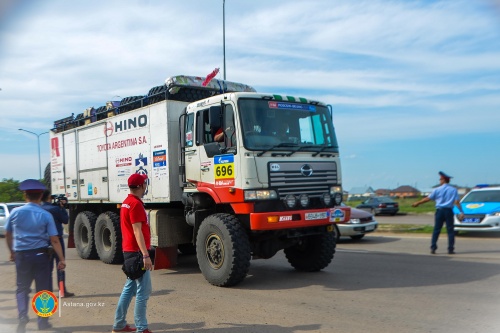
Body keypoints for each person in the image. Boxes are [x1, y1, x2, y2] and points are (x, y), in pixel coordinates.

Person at [5, 179, 66, 333]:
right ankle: (42, 322)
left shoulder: (15, 212)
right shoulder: (45, 215)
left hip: (21, 256)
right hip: (41, 256)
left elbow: (8, 234)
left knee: (22, 288)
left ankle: (22, 316)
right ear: (40, 196)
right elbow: (54, 239)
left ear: (25, 195)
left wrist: (12, 251)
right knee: (44, 290)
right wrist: (62, 259)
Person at [112, 173, 153, 333]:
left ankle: (119, 324)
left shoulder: (126, 203)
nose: (145, 187)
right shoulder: (135, 205)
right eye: (145, 184)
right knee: (143, 292)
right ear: (142, 186)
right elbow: (137, 231)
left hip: (129, 251)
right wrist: (145, 255)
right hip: (137, 253)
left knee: (129, 289)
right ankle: (141, 328)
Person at [412, 171, 464, 254]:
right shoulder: (453, 190)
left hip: (440, 211)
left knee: (437, 230)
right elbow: (457, 202)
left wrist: (417, 203)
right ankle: (450, 249)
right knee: (450, 231)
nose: (439, 181)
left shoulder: (437, 189)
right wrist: (461, 212)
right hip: (449, 211)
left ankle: (433, 248)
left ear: (443, 180)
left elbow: (428, 199)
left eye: (440, 179)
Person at [41, 190, 75, 297]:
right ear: (48, 197)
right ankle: (61, 291)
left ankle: (48, 292)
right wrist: (62, 208)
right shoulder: (55, 209)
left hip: (44, 241)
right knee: (60, 265)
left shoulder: (40, 209)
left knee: (48, 268)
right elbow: (65, 220)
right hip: (57, 240)